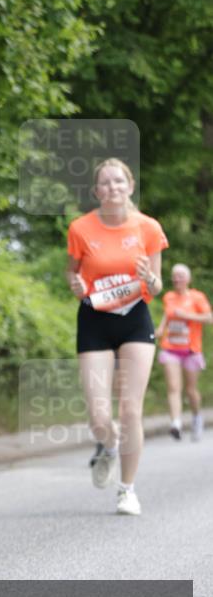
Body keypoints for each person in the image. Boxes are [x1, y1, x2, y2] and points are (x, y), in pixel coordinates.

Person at [66, 157, 169, 516]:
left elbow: (155, 285)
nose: (112, 188)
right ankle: (108, 448)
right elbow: (73, 277)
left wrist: (148, 276)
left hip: (135, 319)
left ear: (130, 186)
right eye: (105, 183)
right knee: (98, 415)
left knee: (130, 410)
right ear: (96, 191)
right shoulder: (80, 228)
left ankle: (127, 490)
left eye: (118, 182)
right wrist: (77, 286)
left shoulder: (148, 228)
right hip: (94, 319)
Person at [155, 263, 211, 441]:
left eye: (181, 276)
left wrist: (187, 316)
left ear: (188, 279)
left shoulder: (197, 297)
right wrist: (160, 328)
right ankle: (176, 424)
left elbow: (209, 318)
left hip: (191, 349)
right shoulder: (169, 297)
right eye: (175, 276)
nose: (177, 279)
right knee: (173, 387)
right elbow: (168, 315)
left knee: (191, 390)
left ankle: (196, 417)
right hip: (171, 347)